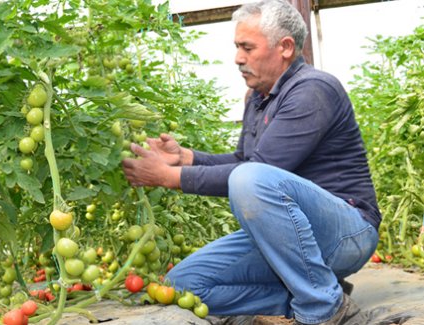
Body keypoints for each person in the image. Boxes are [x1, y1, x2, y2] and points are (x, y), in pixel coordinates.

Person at [121, 0, 381, 324]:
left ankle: (323, 307)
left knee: (250, 180)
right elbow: (244, 160)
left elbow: (254, 173)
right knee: (183, 285)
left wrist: (169, 178)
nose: (237, 58)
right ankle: (315, 290)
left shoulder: (313, 90)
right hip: (297, 236)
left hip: (347, 232)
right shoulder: (259, 98)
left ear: (285, 47)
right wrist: (185, 158)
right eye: (236, 47)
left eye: (247, 47)